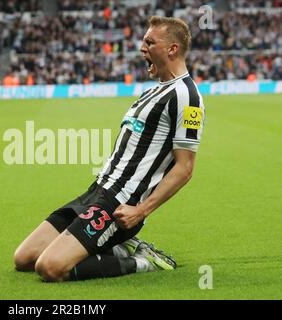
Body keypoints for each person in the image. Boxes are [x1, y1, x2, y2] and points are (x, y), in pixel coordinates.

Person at [14, 16, 206, 282]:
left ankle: (143, 261)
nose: (142, 48)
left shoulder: (187, 97)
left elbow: (185, 168)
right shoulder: (151, 92)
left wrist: (141, 210)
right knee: (24, 259)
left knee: (50, 267)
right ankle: (118, 245)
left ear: (172, 48)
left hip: (120, 203)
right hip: (97, 191)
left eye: (149, 42)